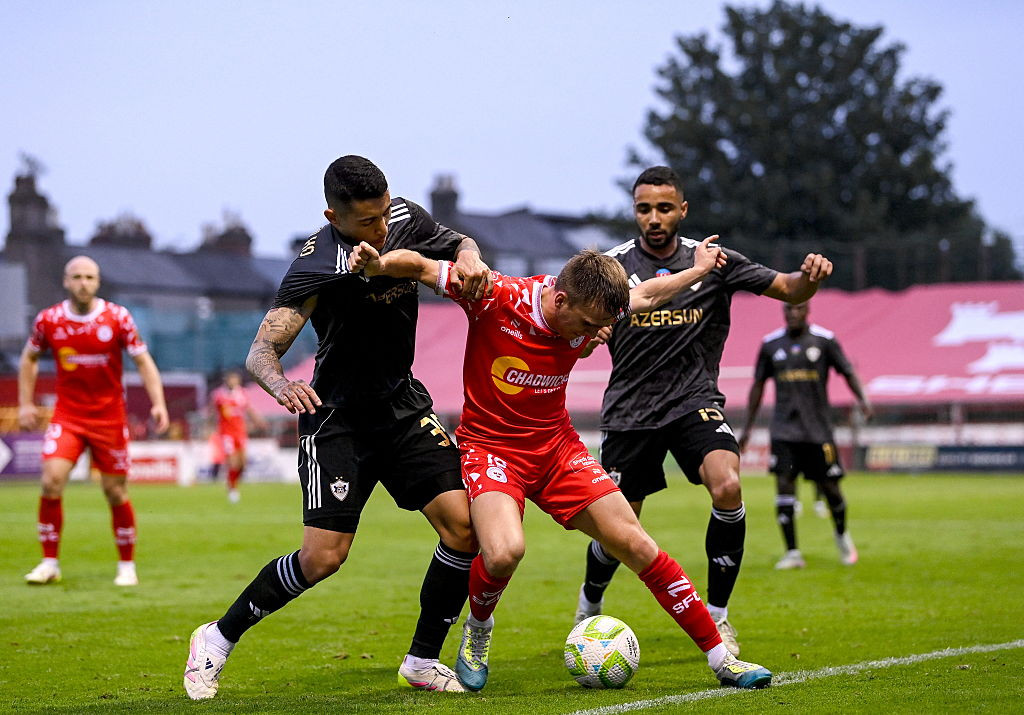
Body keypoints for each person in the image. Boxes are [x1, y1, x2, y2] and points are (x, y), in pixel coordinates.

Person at [348, 237, 773, 691]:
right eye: (588, 325)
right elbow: (420, 266)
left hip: (557, 449)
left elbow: (648, 294)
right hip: (492, 449)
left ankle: (722, 659)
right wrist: (378, 264)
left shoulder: (596, 308)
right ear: (561, 299)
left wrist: (700, 270)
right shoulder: (495, 295)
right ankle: (478, 629)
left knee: (637, 544)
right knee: (505, 552)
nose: (593, 335)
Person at [183, 155, 493, 699]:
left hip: (401, 405)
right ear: (334, 216)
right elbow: (261, 352)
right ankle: (217, 637)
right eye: (368, 221)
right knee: (324, 558)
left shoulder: (406, 218)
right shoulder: (316, 266)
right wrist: (280, 385)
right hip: (337, 418)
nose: (383, 227)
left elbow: (458, 242)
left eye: (384, 213)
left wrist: (470, 256)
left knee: (464, 528)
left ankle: (422, 660)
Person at [570, 166, 834, 657]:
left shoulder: (715, 259)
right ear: (635, 211)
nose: (654, 218)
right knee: (619, 529)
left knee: (728, 485)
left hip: (694, 401)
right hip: (630, 413)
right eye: (644, 209)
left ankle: (719, 616)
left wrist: (811, 278)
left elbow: (788, 287)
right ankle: (590, 603)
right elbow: (578, 338)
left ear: (682, 210)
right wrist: (590, 336)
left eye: (664, 208)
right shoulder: (612, 269)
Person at [19, 255, 169, 587]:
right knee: (51, 481)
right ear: (66, 281)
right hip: (68, 416)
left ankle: (126, 566)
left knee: (115, 491)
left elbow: (143, 361)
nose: (83, 283)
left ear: (98, 282)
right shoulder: (49, 320)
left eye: (89, 277)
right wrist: (25, 403)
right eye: (77, 277)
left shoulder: (117, 317)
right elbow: (29, 357)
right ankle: (49, 563)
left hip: (109, 418)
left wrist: (158, 403)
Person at [736, 301, 873, 569]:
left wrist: (863, 399)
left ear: (808, 311)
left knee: (831, 489)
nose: (793, 314)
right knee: (784, 487)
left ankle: (841, 535)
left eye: (798, 309)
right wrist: (748, 428)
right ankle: (792, 552)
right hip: (784, 432)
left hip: (818, 430)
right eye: (788, 309)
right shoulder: (771, 344)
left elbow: (848, 372)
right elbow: (758, 385)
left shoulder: (825, 340)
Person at [209, 369, 267, 503]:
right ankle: (232, 488)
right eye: (231, 379)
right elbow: (212, 412)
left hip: (240, 432)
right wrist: (208, 427)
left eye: (236, 380)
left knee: (243, 464)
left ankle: (232, 482)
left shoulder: (242, 393)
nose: (234, 382)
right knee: (233, 463)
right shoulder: (218, 395)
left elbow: (249, 409)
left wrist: (258, 421)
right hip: (226, 434)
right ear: (226, 381)